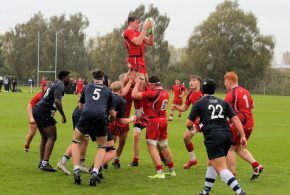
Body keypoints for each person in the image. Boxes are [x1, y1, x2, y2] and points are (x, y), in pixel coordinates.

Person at [186, 79, 247, 195]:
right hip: (227, 135)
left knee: (220, 167)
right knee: (211, 162)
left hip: (214, 136)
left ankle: (240, 192)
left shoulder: (199, 103)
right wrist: (242, 135)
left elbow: (188, 123)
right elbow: (235, 119)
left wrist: (192, 130)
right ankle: (206, 192)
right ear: (214, 90)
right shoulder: (223, 102)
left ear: (203, 90)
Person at [71, 70, 115, 186]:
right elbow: (112, 113)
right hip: (101, 117)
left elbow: (80, 106)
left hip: (85, 116)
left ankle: (76, 169)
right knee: (101, 146)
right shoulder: (108, 90)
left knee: (75, 142)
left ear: (93, 78)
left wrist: (84, 119)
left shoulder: (87, 87)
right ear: (103, 79)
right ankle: (95, 171)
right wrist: (111, 119)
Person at [132, 75, 175, 179]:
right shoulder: (165, 92)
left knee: (151, 145)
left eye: (149, 85)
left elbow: (134, 95)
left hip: (155, 121)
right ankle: (171, 170)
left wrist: (137, 83)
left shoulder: (153, 93)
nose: (148, 86)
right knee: (164, 145)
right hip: (164, 120)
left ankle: (159, 172)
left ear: (152, 84)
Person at [224, 71, 263, 180]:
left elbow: (223, 109)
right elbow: (252, 105)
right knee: (239, 148)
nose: (225, 84)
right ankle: (256, 166)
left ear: (230, 80)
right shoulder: (245, 91)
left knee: (229, 148)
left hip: (241, 123)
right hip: (250, 122)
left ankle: (232, 175)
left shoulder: (231, 93)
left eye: (225, 82)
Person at [33, 70, 70, 172]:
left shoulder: (54, 83)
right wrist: (63, 115)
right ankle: (45, 163)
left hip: (37, 109)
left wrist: (52, 110)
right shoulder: (60, 85)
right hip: (43, 111)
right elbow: (57, 101)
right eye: (68, 77)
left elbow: (46, 96)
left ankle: (41, 162)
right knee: (52, 137)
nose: (69, 79)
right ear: (63, 77)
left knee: (44, 137)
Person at [174, 75, 203, 169]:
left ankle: (219, 165)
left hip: (207, 121)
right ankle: (193, 160)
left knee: (213, 143)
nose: (191, 82)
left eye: (194, 80)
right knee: (186, 137)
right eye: (190, 80)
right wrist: (177, 108)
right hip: (197, 122)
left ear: (199, 83)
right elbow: (184, 107)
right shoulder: (190, 95)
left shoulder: (204, 93)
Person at [109, 81, 137, 168]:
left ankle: (116, 159)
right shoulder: (121, 93)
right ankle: (102, 162)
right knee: (111, 143)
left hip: (125, 119)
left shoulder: (130, 92)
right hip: (116, 120)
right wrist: (130, 80)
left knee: (122, 141)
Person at [24, 81, 51, 152]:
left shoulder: (51, 96)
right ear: (44, 87)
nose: (48, 89)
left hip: (44, 116)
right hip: (35, 115)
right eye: (47, 87)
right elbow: (29, 106)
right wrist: (31, 118)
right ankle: (27, 145)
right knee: (32, 133)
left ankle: (45, 150)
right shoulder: (39, 95)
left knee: (47, 134)